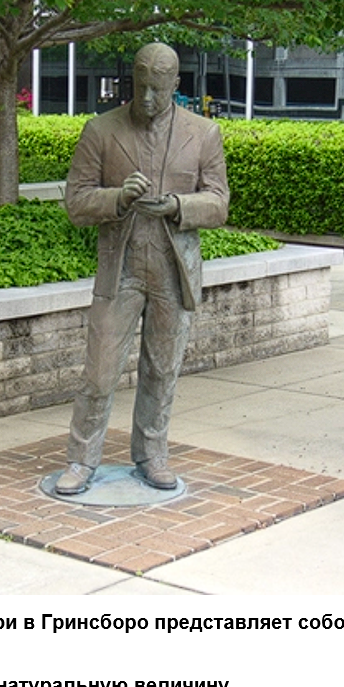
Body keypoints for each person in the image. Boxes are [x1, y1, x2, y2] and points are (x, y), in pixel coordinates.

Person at [55, 42, 230, 495]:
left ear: (176, 84)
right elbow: (76, 202)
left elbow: (218, 203)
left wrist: (178, 205)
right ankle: (81, 459)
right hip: (123, 267)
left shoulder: (203, 133)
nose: (148, 98)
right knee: (99, 371)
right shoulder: (101, 130)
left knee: (162, 370)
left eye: (158, 88)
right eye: (141, 86)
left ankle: (152, 455)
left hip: (173, 269)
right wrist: (118, 197)